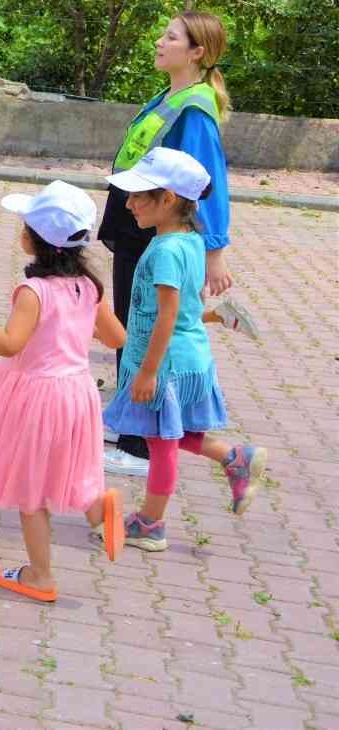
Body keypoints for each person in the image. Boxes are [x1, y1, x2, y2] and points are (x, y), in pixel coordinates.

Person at [0, 181, 126, 603]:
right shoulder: (88, 285)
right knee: (71, 464)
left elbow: (11, 344)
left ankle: (40, 576)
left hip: (38, 394)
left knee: (32, 489)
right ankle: (99, 511)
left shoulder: (34, 291)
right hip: (78, 391)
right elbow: (116, 338)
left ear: (35, 241)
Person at [97, 12, 257, 477]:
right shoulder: (171, 96)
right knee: (133, 323)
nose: (159, 41)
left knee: (141, 329)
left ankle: (138, 446)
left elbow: (210, 181)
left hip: (151, 229)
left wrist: (216, 250)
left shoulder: (194, 108)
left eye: (170, 37)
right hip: (136, 222)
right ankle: (134, 427)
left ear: (196, 52)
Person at [99, 148, 269, 551]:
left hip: (166, 363)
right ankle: (235, 457)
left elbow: (167, 316)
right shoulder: (188, 241)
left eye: (140, 195)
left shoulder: (165, 252)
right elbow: (187, 305)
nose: (129, 204)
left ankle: (150, 524)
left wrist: (147, 372)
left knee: (160, 445)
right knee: (170, 434)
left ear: (170, 199)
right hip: (183, 356)